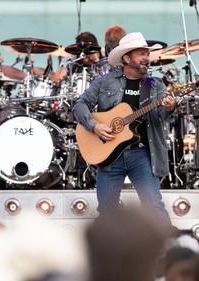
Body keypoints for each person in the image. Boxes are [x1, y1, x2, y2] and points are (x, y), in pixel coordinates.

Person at [72, 32, 176, 225]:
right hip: (110, 155)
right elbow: (80, 105)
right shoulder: (105, 81)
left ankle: (169, 250)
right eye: (142, 54)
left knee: (154, 206)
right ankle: (112, 253)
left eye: (147, 53)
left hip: (142, 154)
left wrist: (169, 108)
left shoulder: (155, 85)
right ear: (127, 58)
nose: (147, 58)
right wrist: (94, 127)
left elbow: (163, 116)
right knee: (107, 209)